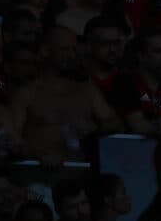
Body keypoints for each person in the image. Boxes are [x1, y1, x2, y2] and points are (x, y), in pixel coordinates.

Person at [10, 27, 120, 166]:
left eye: (74, 50)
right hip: (38, 177)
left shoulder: (87, 91)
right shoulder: (27, 93)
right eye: (64, 49)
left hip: (81, 176)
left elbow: (115, 124)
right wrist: (35, 154)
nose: (72, 55)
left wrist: (95, 128)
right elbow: (11, 140)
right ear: (45, 51)